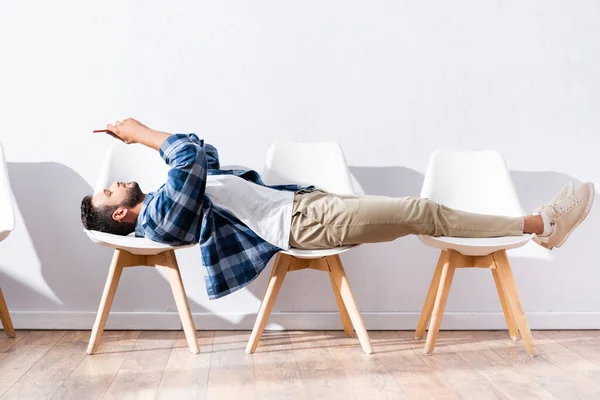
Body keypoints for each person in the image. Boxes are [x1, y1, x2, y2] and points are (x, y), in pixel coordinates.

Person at [81, 119, 595, 299]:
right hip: (304, 225)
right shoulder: (161, 217)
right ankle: (542, 224)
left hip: (307, 203)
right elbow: (188, 154)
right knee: (423, 211)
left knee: (422, 213)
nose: (118, 182)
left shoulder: (174, 193)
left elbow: (202, 152)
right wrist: (141, 132)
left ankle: (539, 225)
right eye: (109, 192)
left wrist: (155, 140)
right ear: (121, 215)